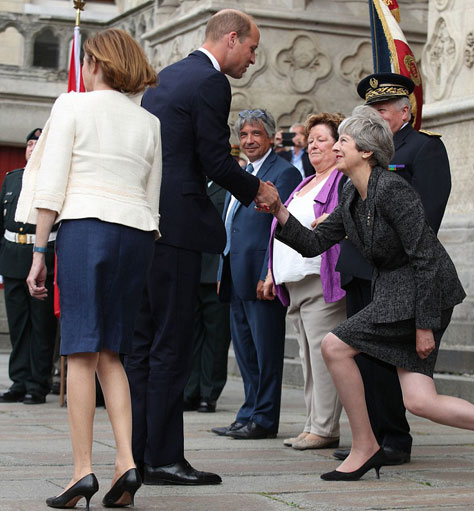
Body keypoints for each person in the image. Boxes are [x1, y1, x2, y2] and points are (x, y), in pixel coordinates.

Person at [259, 107, 474, 482]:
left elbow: (425, 257)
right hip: (396, 292)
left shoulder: (393, 190)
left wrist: (424, 325)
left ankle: (365, 447)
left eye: (343, 140)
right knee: (421, 401)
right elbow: (314, 243)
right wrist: (278, 209)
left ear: (366, 151)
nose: (335, 147)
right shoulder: (351, 192)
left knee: (334, 346)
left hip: (421, 294)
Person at [127, 9, 277, 485]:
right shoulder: (211, 82)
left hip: (147, 224)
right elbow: (214, 159)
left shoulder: (165, 77)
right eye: (251, 48)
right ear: (231, 39)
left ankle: (136, 455)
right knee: (172, 347)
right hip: (177, 230)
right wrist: (257, 190)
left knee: (143, 347)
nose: (252, 59)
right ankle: (163, 459)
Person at [18, 28, 161, 508]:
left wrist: (39, 252)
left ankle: (82, 470)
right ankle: (126, 462)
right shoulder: (149, 121)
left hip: (86, 227)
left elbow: (51, 183)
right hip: (137, 233)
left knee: (80, 351)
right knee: (111, 354)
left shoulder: (72, 105)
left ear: (95, 63)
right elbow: (153, 196)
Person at [333, 72, 452, 465]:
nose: (376, 116)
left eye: (383, 110)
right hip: (359, 266)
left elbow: (426, 219)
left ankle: (394, 439)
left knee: (386, 359)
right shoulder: (357, 153)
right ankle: (369, 437)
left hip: (397, 273)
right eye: (372, 110)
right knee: (363, 359)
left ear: (405, 112)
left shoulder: (423, 148)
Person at [212, 108, 301, 439]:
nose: (249, 140)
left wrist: (270, 272)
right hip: (235, 274)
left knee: (266, 352)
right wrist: (222, 269)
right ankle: (248, 412)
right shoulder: (242, 173)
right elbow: (230, 224)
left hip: (262, 277)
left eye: (256, 134)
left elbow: (282, 227)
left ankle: (263, 419)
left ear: (271, 138)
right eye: (244, 134)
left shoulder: (284, 173)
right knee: (245, 351)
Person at [263, 112, 347, 450]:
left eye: (321, 140)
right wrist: (272, 271)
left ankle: (325, 427)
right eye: (310, 141)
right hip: (294, 284)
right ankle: (313, 422)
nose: (313, 146)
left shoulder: (339, 180)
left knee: (322, 355)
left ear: (338, 146)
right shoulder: (305, 182)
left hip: (320, 279)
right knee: (306, 356)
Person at [0, 128, 58, 406]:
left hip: (43, 258)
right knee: (18, 325)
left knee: (41, 326)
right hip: (13, 258)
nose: (33, 148)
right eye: (30, 144)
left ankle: (38, 384)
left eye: (38, 144)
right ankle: (19, 381)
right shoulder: (12, 179)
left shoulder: (53, 180)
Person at [183, 178, 231, 414]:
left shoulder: (227, 182)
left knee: (216, 336)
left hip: (215, 272)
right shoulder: (191, 179)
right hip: (189, 268)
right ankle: (190, 390)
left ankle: (208, 393)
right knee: (190, 335)